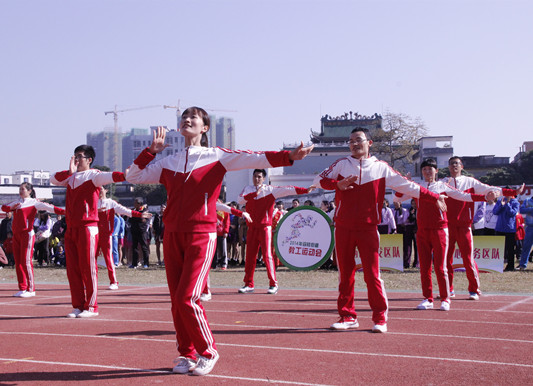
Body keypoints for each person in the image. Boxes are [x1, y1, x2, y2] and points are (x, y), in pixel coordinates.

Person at [125, 107, 313, 376]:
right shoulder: (168, 162)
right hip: (172, 233)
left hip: (202, 233)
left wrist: (288, 157)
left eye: (194, 118)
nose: (186, 120)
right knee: (175, 300)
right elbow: (133, 176)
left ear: (205, 128)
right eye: (184, 118)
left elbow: (254, 157)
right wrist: (151, 152)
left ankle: (208, 351)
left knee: (187, 297)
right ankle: (186, 355)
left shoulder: (217, 156)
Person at [313, 127, 445, 333]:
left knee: (372, 275)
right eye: (351, 141)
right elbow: (317, 180)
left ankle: (380, 318)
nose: (354, 144)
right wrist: (337, 184)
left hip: (368, 228)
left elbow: (409, 186)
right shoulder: (341, 164)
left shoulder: (381, 168)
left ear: (369, 143)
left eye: (358, 140)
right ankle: (348, 316)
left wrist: (434, 197)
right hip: (343, 227)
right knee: (345, 274)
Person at [395, 158, 490, 312]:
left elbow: (464, 196)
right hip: (422, 231)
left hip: (440, 230)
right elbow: (397, 198)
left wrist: (485, 197)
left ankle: (446, 298)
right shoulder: (417, 187)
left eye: (430, 169)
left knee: (441, 267)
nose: (427, 172)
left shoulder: (443, 186)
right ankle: (427, 298)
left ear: (436, 171)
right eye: (424, 169)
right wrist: (406, 182)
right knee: (424, 267)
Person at [51, 144, 126, 318]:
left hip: (88, 227)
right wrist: (69, 172)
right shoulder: (70, 178)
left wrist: (129, 174)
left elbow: (113, 176)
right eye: (74, 156)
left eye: (80, 156)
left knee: (88, 267)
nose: (76, 160)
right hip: (72, 228)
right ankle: (77, 305)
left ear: (89, 160)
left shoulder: (94, 175)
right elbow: (53, 179)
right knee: (73, 269)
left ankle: (91, 306)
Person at [441, 156, 524, 299]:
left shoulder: (470, 182)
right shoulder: (443, 182)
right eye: (451, 164)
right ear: (448, 167)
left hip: (465, 225)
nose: (454, 166)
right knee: (445, 259)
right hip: (448, 226)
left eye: (457, 163)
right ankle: (449, 289)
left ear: (462, 167)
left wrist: (513, 193)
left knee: (468, 258)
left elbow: (490, 189)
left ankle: (474, 290)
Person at [237, 169, 314, 295]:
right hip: (252, 228)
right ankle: (248, 284)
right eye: (255, 176)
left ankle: (273, 284)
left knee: (267, 255)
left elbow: (288, 189)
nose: (257, 179)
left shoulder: (270, 190)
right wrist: (254, 193)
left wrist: (305, 190)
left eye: (259, 177)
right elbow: (240, 200)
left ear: (264, 178)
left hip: (265, 228)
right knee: (250, 256)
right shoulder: (248, 189)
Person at [1, 182, 65, 297]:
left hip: (27, 235)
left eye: (23, 189)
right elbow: (4, 207)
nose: (20, 191)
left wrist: (66, 211)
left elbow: (50, 208)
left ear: (29, 191)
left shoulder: (34, 203)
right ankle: (22, 288)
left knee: (26, 262)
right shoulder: (17, 202)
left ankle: (31, 289)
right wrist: (13, 207)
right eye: (19, 189)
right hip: (17, 235)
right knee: (19, 263)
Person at [97, 186, 151, 289]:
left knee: (108, 258)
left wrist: (139, 215)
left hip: (106, 235)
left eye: (102, 189)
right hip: (94, 234)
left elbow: (125, 211)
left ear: (106, 191)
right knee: (91, 259)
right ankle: (90, 281)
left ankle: (113, 282)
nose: (99, 191)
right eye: (97, 189)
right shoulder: (93, 203)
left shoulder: (111, 203)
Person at [493, 195, 520, 271]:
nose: (506, 196)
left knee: (510, 249)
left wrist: (507, 204)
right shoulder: (500, 201)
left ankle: (510, 266)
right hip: (499, 228)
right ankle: (497, 265)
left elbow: (512, 213)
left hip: (509, 229)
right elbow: (495, 212)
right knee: (499, 248)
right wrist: (501, 205)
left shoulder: (515, 203)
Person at [129, 197, 151, 268]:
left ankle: (146, 263)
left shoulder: (145, 210)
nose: (134, 204)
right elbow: (130, 220)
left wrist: (137, 218)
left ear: (139, 204)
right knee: (134, 247)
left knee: (144, 247)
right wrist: (139, 218)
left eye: (135, 202)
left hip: (142, 232)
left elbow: (144, 221)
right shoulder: (133, 210)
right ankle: (134, 264)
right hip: (134, 231)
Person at [517, 196, 533, 270]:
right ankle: (523, 265)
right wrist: (531, 209)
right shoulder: (527, 200)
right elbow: (521, 210)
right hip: (530, 227)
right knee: (526, 246)